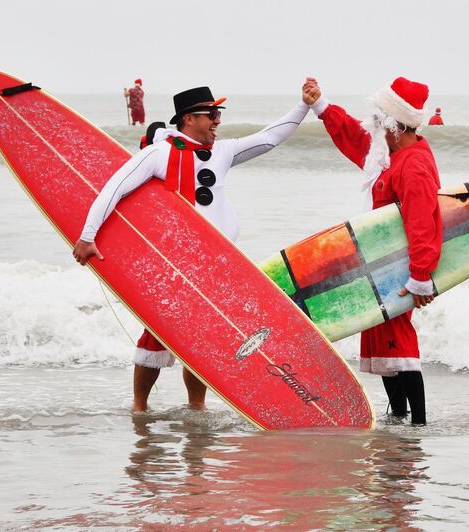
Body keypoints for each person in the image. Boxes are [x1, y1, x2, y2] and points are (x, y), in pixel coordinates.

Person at [73, 86, 311, 412]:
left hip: (217, 265)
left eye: (218, 115)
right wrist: (88, 236)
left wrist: (304, 105)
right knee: (155, 337)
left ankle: (196, 409)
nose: (217, 121)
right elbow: (114, 189)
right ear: (189, 118)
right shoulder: (159, 154)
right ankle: (139, 407)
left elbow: (269, 138)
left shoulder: (223, 152)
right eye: (211, 115)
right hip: (175, 266)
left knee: (202, 340)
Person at [302, 76, 442, 425]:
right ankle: (398, 416)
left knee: (399, 338)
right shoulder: (390, 154)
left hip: (402, 268)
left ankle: (419, 425)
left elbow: (423, 222)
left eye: (379, 119)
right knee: (381, 336)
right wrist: (322, 106)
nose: (373, 125)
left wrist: (421, 276)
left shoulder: (413, 166)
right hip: (382, 265)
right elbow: (356, 138)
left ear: (395, 123)